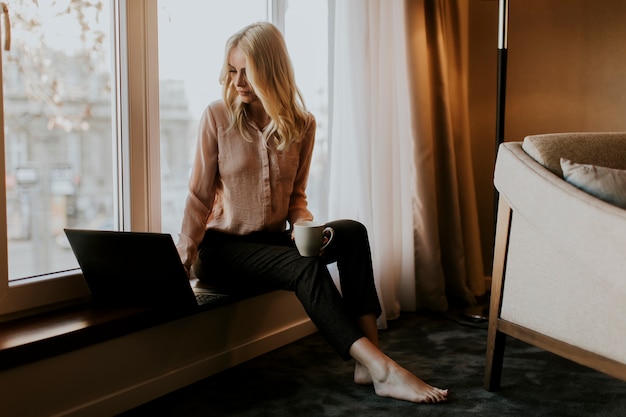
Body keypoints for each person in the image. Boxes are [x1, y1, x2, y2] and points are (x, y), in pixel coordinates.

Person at [176, 21, 448, 404]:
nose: (237, 82)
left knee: (351, 231)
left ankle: (366, 360)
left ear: (271, 71)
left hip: (270, 244)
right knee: (306, 268)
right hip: (223, 250)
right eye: (232, 71)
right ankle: (384, 370)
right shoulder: (217, 117)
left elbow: (296, 200)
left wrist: (306, 226)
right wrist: (183, 259)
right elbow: (198, 197)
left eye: (247, 72)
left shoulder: (301, 125)